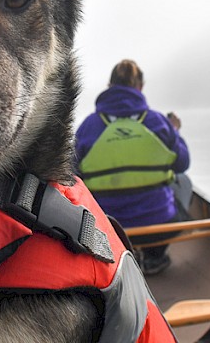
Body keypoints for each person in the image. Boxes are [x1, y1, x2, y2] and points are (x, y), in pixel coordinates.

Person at [74, 59, 191, 275]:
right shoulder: (157, 122)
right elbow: (183, 163)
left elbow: (73, 175)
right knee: (183, 182)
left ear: (109, 86)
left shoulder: (88, 126)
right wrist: (175, 131)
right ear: (140, 87)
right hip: (159, 227)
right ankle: (155, 256)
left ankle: (115, 258)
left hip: (109, 229)